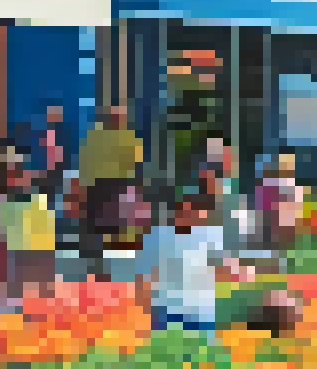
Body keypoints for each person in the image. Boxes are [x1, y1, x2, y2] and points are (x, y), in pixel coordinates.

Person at [136, 191, 240, 333]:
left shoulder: (210, 235)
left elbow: (225, 265)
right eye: (183, 209)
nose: (188, 214)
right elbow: (144, 271)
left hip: (199, 310)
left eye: (193, 210)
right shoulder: (158, 235)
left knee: (201, 344)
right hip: (165, 309)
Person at [75, 106, 141, 281]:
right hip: (106, 188)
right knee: (101, 230)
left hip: (111, 188)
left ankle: (104, 272)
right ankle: (99, 271)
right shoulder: (105, 136)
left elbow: (132, 166)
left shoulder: (123, 137)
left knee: (107, 230)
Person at [0, 164, 59, 303]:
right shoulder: (7, 204)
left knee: (42, 289)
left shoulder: (39, 200)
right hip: (19, 250)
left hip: (38, 249)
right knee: (18, 290)